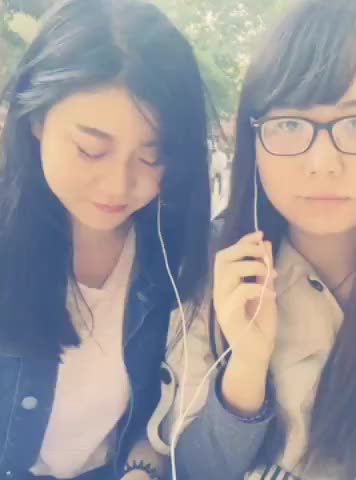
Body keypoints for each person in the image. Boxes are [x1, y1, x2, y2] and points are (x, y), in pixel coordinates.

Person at [148, 1, 356, 479]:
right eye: (288, 124)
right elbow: (195, 469)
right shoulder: (219, 262)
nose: (322, 163)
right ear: (254, 136)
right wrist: (247, 366)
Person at [0, 0, 210, 478]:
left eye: (152, 156)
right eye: (91, 149)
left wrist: (141, 470)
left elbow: (158, 423)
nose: (118, 186)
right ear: (36, 118)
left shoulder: (173, 255)